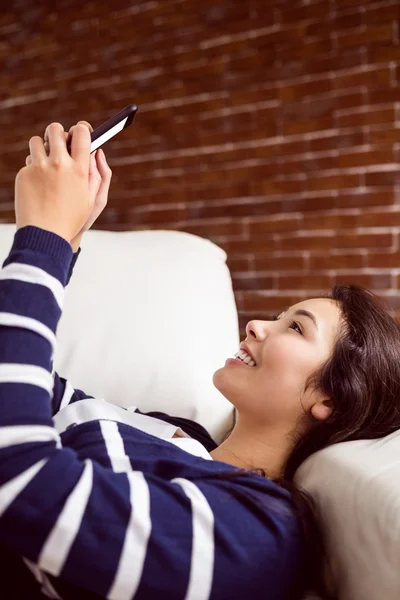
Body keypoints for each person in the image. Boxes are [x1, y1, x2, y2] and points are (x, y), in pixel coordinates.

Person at [1, 121, 400, 600]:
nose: (256, 325)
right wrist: (66, 244)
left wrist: (42, 238)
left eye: (295, 328)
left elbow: (21, 484)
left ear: (330, 400)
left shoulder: (254, 532)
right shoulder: (175, 434)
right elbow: (25, 381)